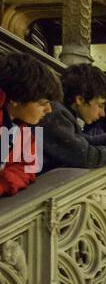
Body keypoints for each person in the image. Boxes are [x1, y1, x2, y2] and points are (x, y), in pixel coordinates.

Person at [40, 64, 106, 172]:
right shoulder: (55, 114)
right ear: (80, 99)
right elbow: (86, 156)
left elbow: (84, 141)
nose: (102, 114)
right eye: (100, 105)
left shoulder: (63, 111)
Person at [0, 52, 58, 195]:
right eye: (42, 103)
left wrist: (3, 183)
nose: (49, 110)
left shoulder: (23, 127)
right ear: (15, 100)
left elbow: (29, 168)